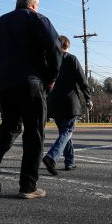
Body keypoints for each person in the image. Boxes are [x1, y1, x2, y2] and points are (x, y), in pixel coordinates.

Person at [0, 0, 61, 199]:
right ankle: (28, 186)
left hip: (5, 85)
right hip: (31, 84)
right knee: (34, 133)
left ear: (17, 2)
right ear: (34, 4)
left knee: (10, 126)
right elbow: (54, 45)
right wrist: (51, 77)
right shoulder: (38, 19)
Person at [41, 36, 92, 175]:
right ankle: (51, 157)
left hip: (54, 103)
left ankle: (70, 162)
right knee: (67, 131)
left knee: (64, 133)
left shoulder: (49, 60)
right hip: (70, 103)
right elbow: (83, 81)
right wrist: (88, 99)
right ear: (67, 46)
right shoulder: (71, 59)